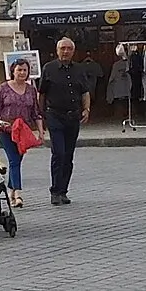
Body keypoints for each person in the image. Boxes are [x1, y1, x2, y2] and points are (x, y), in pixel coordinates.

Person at [39, 37, 92, 205]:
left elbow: (85, 92)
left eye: (69, 48)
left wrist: (86, 109)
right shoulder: (49, 68)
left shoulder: (79, 69)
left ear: (73, 51)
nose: (66, 51)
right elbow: (42, 93)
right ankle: (54, 190)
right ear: (57, 50)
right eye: (63, 48)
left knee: (68, 155)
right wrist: (40, 115)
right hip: (55, 115)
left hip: (73, 116)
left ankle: (63, 191)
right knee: (58, 153)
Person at [0, 58, 44, 206]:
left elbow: (36, 112)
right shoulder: (3, 89)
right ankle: (18, 193)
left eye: (25, 70)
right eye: (19, 69)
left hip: (22, 132)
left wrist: (40, 131)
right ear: (13, 71)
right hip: (5, 129)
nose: (22, 73)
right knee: (14, 160)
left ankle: (11, 191)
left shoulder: (31, 90)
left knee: (17, 161)